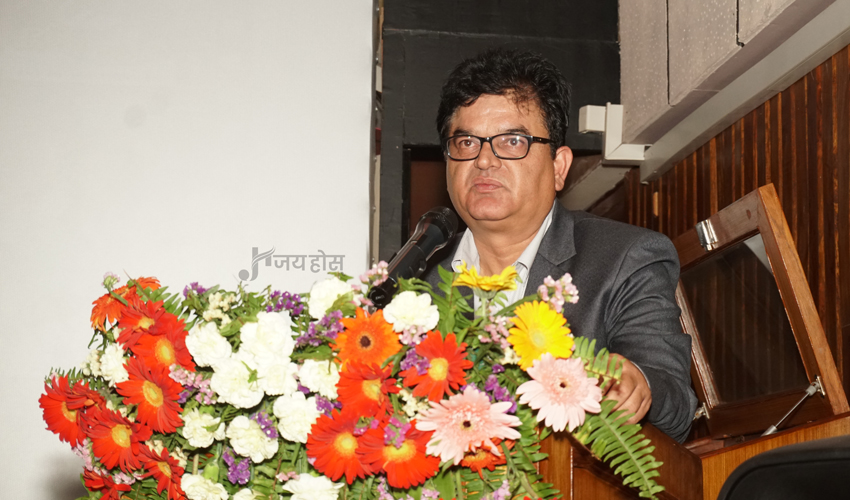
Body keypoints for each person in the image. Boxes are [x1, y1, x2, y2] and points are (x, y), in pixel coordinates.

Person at [421, 48, 698, 443]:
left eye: (512, 140)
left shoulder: (625, 258)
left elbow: (675, 403)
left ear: (559, 167)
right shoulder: (418, 282)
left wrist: (639, 384)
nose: (483, 160)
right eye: (466, 142)